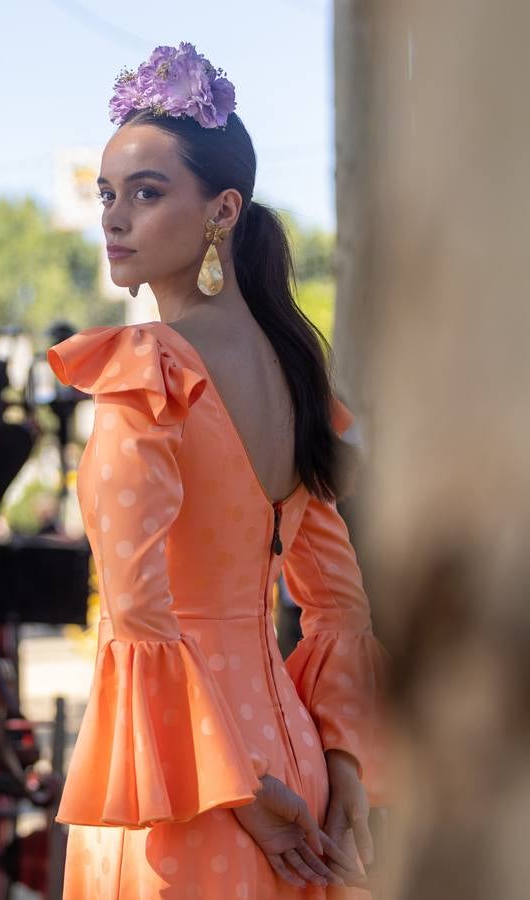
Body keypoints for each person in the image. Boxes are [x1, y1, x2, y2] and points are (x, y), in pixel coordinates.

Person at [47, 45, 387, 898]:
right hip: (295, 774)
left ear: (221, 210)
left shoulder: (150, 367)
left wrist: (239, 789)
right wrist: (342, 769)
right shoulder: (296, 371)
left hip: (185, 791)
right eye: (108, 193)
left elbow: (134, 610)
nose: (115, 218)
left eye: (147, 193)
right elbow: (339, 604)